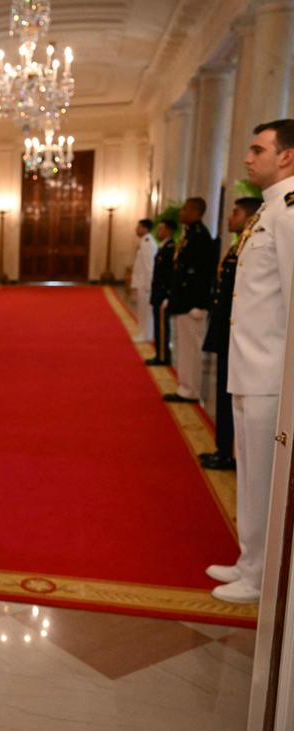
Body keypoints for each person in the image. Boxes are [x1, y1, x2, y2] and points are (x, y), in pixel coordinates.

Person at [208, 119, 294, 604]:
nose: (248, 158)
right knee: (251, 473)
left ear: (286, 155)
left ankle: (261, 576)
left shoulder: (288, 212)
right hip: (250, 365)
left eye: (258, 149)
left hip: (271, 372)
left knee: (264, 477)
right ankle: (249, 560)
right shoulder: (269, 211)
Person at [199, 197, 263, 471]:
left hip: (238, 334)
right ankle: (224, 448)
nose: (229, 217)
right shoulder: (238, 246)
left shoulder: (248, 247)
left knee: (232, 395)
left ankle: (227, 451)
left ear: (248, 217)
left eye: (235, 213)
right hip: (228, 331)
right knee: (226, 393)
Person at [163, 197, 215, 402]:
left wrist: (199, 304)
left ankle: (190, 390)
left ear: (195, 212)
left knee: (191, 350)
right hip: (183, 302)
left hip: (192, 304)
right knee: (183, 348)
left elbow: (204, 274)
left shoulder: (201, 237)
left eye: (185, 209)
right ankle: (184, 387)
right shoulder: (190, 235)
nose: (181, 212)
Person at [146, 219, 178, 366]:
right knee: (158, 325)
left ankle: (163, 356)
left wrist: (167, 295)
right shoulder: (163, 247)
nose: (158, 232)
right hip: (158, 293)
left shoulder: (171, 248)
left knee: (162, 326)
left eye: (161, 229)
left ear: (169, 231)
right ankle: (159, 353)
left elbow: (170, 274)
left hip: (163, 294)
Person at [130, 218, 157, 342]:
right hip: (142, 282)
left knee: (145, 311)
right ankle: (143, 333)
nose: (136, 229)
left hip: (145, 283)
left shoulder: (147, 242)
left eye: (138, 226)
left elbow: (149, 265)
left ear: (145, 228)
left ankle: (145, 335)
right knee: (142, 310)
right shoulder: (144, 241)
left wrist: (148, 285)